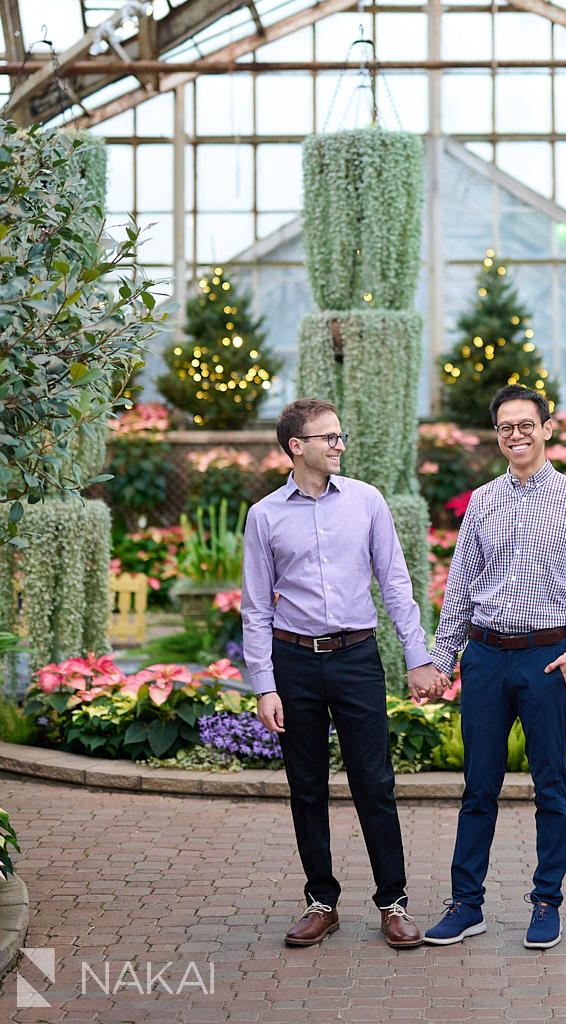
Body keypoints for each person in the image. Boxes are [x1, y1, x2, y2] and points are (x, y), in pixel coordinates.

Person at [241, 397, 443, 949]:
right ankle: (321, 902)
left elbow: (396, 584)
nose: (339, 445)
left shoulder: (366, 502)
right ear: (295, 446)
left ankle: (393, 903)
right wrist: (265, 685)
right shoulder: (264, 516)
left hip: (356, 658)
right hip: (294, 662)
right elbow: (256, 608)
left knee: (374, 783)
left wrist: (417, 655)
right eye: (328, 437)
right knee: (306, 789)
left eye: (340, 436)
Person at [423, 384, 566, 950]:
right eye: (506, 427)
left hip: (546, 661)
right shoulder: (482, 501)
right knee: (478, 787)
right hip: (483, 659)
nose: (516, 435)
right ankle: (467, 904)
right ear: (497, 435)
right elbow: (459, 589)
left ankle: (546, 902)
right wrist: (442, 661)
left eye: (526, 424)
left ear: (547, 429)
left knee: (549, 786)